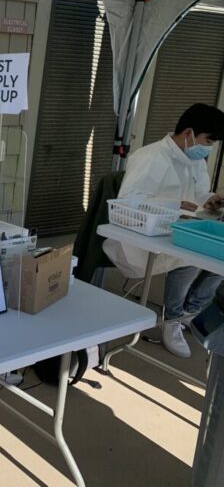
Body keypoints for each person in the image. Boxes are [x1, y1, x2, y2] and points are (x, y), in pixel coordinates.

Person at [103, 103, 224, 358]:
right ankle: (172, 319)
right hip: (142, 234)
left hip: (177, 229)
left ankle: (190, 311)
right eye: (208, 141)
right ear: (189, 133)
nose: (209, 148)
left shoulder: (195, 160)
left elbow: (198, 195)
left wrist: (210, 200)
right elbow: (126, 204)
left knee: (217, 256)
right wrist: (173, 205)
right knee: (189, 258)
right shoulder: (150, 157)